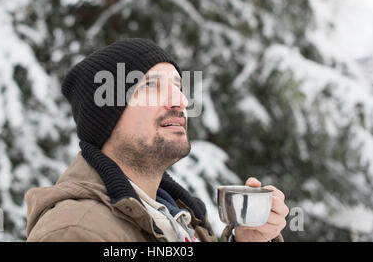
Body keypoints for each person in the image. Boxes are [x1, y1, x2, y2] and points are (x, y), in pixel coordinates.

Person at [25, 38, 289, 242]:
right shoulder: (78, 231)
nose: (181, 101)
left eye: (178, 87)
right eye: (150, 85)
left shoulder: (182, 218)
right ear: (106, 117)